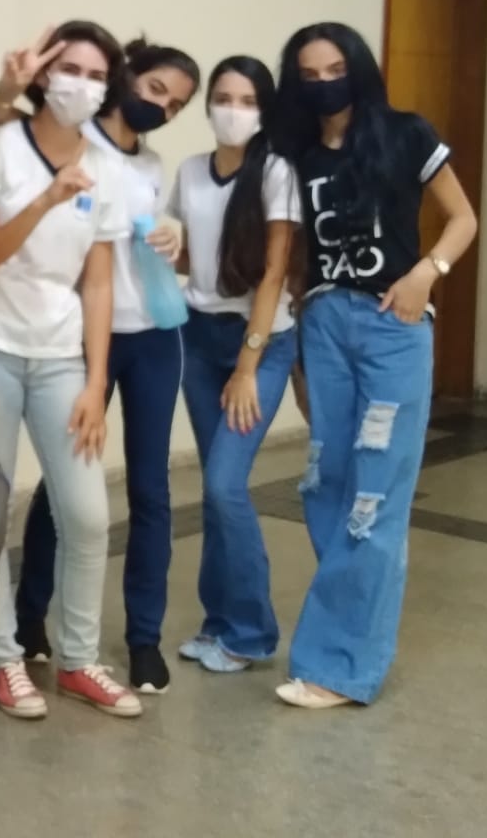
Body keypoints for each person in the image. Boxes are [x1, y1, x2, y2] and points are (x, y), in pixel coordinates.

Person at [0, 36, 198, 695]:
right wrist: (9, 87)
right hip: (69, 340)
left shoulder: (152, 163)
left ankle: (140, 640)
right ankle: (26, 623)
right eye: (155, 89)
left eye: (176, 104)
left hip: (147, 336)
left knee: (145, 492)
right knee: (56, 490)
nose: (161, 107)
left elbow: (141, 249)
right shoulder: (69, 142)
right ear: (127, 78)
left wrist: (175, 235)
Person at [272, 22, 476, 708]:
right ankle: (338, 642)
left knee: (376, 496)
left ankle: (341, 669)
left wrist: (427, 272)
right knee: (327, 484)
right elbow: (297, 253)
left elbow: (463, 218)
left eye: (336, 68)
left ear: (358, 68)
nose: (325, 82)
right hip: (324, 323)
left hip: (395, 322)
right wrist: (297, 348)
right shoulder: (297, 154)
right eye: (309, 73)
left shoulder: (406, 134)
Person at [0, 23, 143, 720]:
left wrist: (96, 382)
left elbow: (98, 284)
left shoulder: (108, 169)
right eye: (71, 69)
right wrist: (44, 200)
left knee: (89, 516)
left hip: (62, 357)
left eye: (97, 76)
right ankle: (5, 659)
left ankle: (78, 660)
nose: (83, 86)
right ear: (42, 74)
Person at [167, 56, 300, 674]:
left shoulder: (276, 171)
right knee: (217, 492)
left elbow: (273, 273)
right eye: (223, 98)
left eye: (247, 101)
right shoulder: (191, 171)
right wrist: (163, 252)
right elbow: (196, 256)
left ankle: (251, 632)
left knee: (224, 484)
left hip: (261, 344)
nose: (233, 110)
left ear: (264, 110)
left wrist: (248, 366)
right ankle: (217, 622)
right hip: (197, 338)